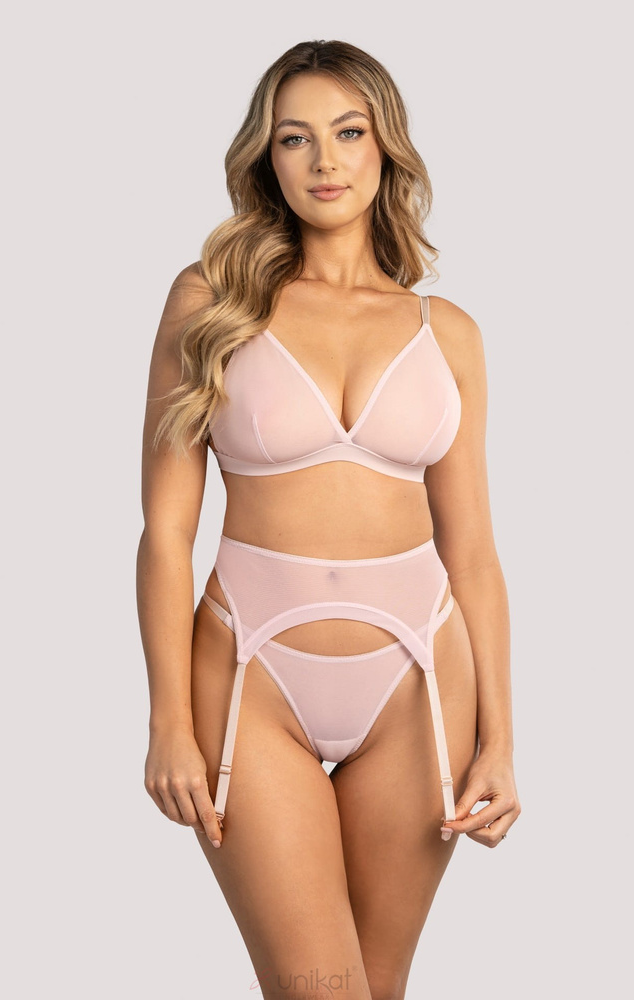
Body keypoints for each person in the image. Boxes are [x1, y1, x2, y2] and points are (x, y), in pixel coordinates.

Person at [137, 38, 521, 1000]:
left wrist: (501, 742)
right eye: (294, 138)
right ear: (265, 158)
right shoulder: (210, 301)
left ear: (386, 145)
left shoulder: (447, 333)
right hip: (250, 673)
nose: (324, 161)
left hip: (420, 682)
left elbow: (473, 553)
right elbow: (165, 533)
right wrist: (168, 722)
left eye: (348, 133)